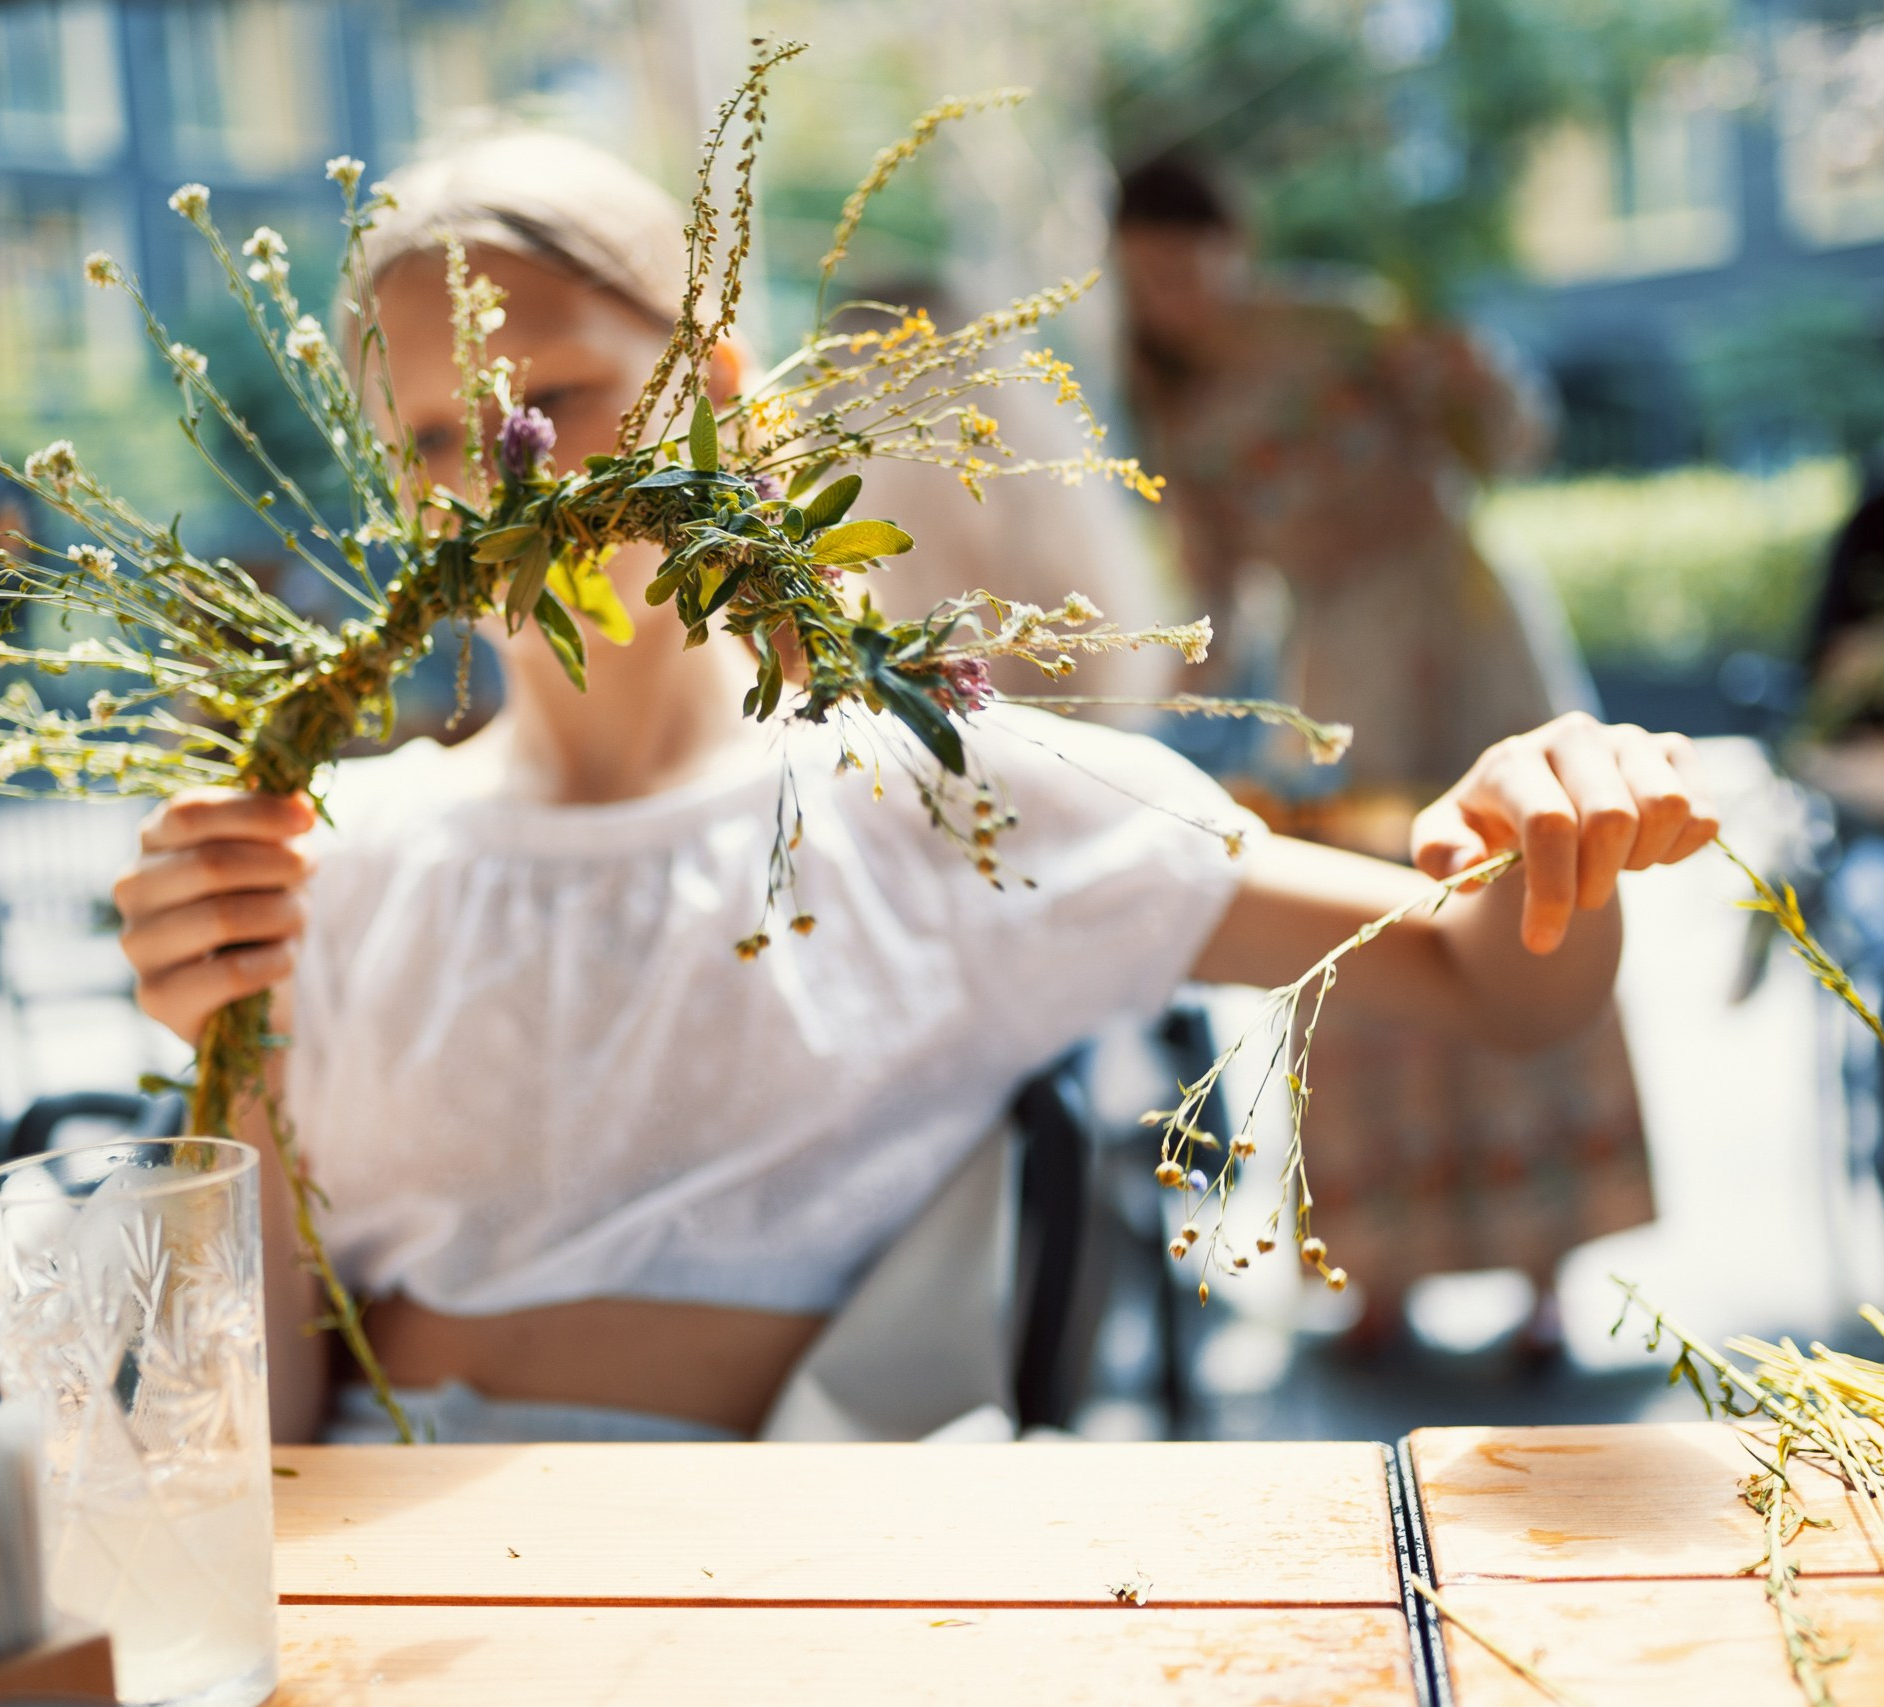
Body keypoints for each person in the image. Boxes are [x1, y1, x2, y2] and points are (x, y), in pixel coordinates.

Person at [112, 135, 1720, 1442]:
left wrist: (1542, 826)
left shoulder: (928, 795)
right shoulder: (332, 859)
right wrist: (228, 1057)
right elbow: (247, 1429)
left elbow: (1482, 978)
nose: (505, 483)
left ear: (722, 392)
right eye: (440, 434)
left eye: (565, 399)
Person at [1110, 154, 1653, 1354]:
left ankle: (1542, 1277)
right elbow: (1214, 588)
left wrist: (1470, 376)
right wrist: (1153, 725)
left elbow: (1508, 441)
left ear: (1232, 246)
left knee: (1532, 898)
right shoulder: (1168, 395)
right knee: (1362, 927)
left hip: (1466, 642)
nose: (1175, 286)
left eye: (1190, 256)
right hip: (1338, 677)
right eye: (1148, 268)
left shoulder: (1344, 321)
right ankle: (1379, 1269)